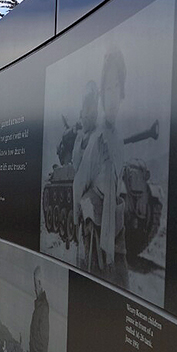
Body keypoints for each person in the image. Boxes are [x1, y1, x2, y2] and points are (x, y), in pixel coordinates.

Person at [72, 47, 129, 287]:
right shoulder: (96, 139)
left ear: (122, 91)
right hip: (96, 232)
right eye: (107, 89)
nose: (111, 95)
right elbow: (79, 179)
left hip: (115, 229)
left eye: (116, 87)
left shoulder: (116, 136)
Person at [29, 265, 49, 352]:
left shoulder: (44, 307)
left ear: (40, 284)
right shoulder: (40, 305)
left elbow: (43, 339)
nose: (34, 289)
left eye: (35, 285)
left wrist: (34, 348)